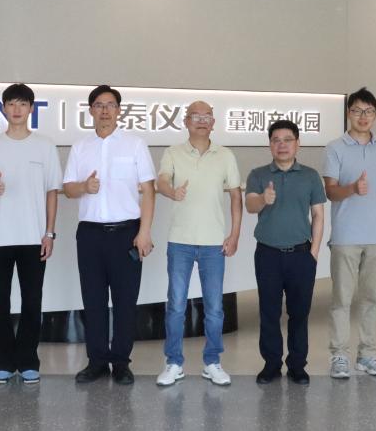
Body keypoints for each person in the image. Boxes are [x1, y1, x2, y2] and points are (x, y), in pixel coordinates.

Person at [63, 85, 156, 385]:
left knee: (125, 300)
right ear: (90, 110)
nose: (105, 110)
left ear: (119, 110)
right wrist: (84, 187)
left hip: (126, 233)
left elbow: (149, 191)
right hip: (89, 234)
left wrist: (144, 232)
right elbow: (68, 189)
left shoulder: (135, 145)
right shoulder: (80, 147)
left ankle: (121, 362)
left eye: (111, 105)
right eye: (99, 105)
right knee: (93, 300)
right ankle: (97, 361)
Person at [0, 83, 61, 384]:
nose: (17, 109)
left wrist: (49, 233)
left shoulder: (45, 146)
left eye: (23, 104)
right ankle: (2, 361)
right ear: (3, 109)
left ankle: (28, 360)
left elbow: (52, 192)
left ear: (31, 108)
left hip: (34, 237)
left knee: (32, 301)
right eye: (11, 103)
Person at [155, 101, 243, 387]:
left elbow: (236, 196)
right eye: (196, 116)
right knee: (176, 306)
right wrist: (172, 192)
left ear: (214, 122)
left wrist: (234, 235)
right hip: (179, 242)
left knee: (214, 308)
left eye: (207, 116)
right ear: (186, 121)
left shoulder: (225, 155)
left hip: (213, 244)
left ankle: (212, 362)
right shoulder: (173, 152)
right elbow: (162, 181)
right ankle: (174, 363)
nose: (202, 121)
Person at [245, 120, 325, 385]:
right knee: (269, 312)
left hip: (301, 255)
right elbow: (250, 205)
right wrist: (263, 199)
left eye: (287, 139)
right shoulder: (258, 174)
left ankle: (297, 365)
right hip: (267, 254)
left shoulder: (310, 176)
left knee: (299, 313)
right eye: (276, 140)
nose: (282, 145)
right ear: (270, 145)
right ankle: (271, 364)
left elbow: (318, 215)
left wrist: (313, 253)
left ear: (297, 144)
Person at [322, 87, 376, 379]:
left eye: (369, 111)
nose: (363, 117)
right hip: (345, 236)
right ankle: (339, 355)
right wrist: (352, 188)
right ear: (348, 113)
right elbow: (330, 191)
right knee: (341, 300)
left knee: (371, 299)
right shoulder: (334, 147)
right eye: (357, 111)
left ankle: (367, 355)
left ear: (375, 114)